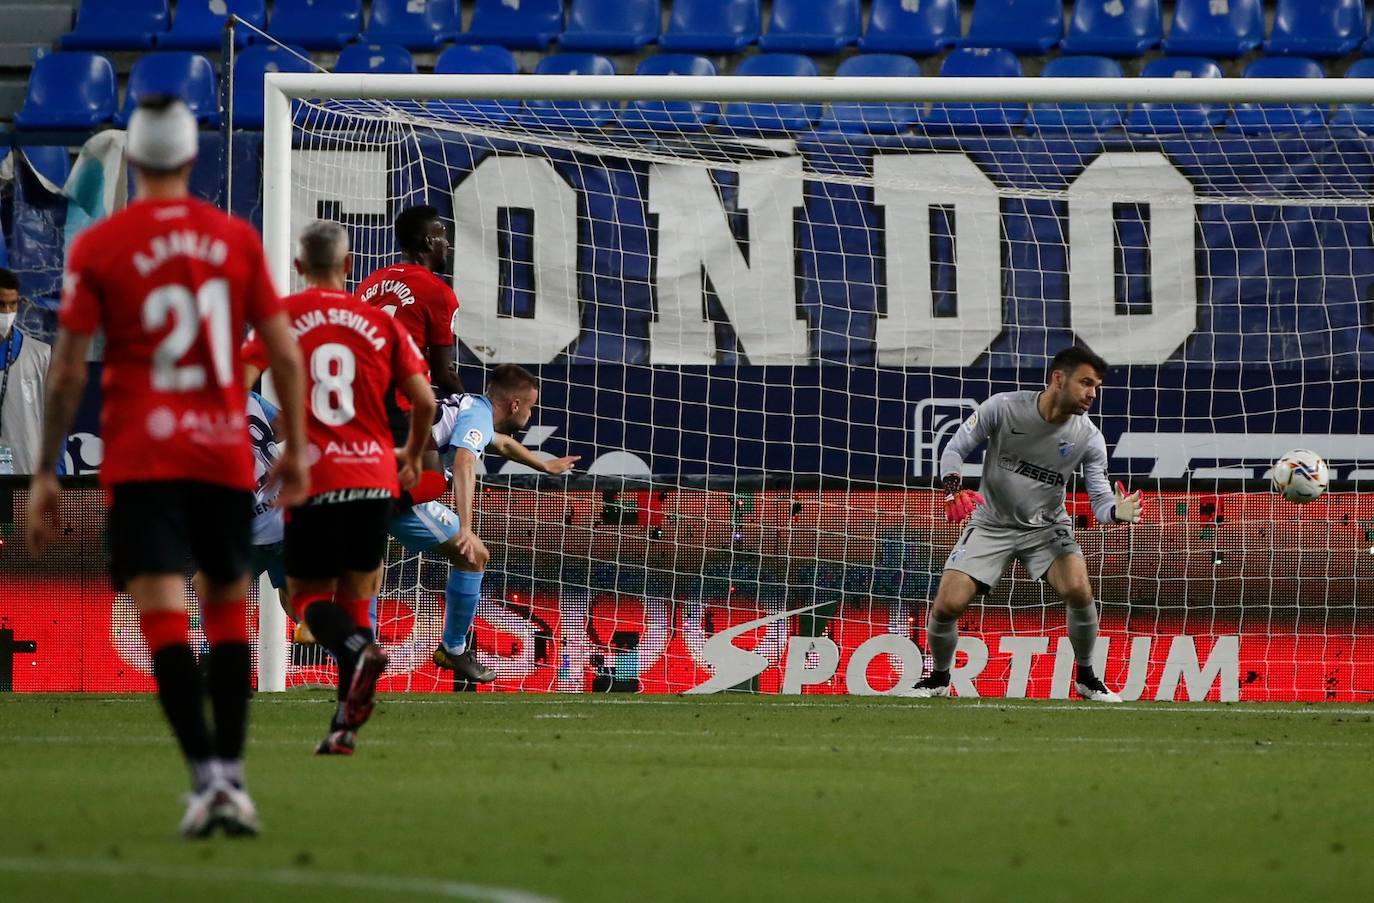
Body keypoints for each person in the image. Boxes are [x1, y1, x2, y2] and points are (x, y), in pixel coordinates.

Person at [25, 96, 309, 837]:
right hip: (221, 453)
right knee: (226, 607)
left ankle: (204, 776)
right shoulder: (234, 239)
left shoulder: (100, 246)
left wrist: (45, 470)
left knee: (163, 615)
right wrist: (300, 445)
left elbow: (64, 372)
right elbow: (281, 351)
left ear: (135, 159)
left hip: (141, 455)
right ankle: (236, 779)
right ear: (189, 157)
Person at [243, 220, 435, 755]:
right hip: (375, 476)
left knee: (305, 596)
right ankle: (343, 726)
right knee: (357, 595)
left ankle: (355, 652)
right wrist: (413, 456)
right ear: (349, 267)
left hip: (314, 475)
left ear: (300, 268)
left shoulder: (283, 317)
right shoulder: (381, 325)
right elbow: (425, 402)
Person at [906, 345, 1143, 703]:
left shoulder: (1089, 438)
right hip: (990, 524)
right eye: (1086, 383)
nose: (1092, 394)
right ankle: (938, 678)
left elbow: (1100, 502)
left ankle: (1086, 677)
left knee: (1078, 588)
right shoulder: (1003, 406)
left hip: (1046, 529)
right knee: (947, 605)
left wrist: (1115, 512)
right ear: (1058, 379)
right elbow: (954, 449)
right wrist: (953, 489)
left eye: (1096, 386)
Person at [388, 365, 577, 681]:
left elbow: (500, 443)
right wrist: (465, 526)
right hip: (398, 490)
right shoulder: (477, 416)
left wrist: (544, 465)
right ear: (515, 405)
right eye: (531, 407)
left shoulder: (473, 406)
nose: (531, 415)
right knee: (473, 554)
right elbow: (464, 461)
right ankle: (453, 650)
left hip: (386, 477)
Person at [357, 204, 463, 426]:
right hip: (399, 405)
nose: (447, 244)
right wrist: (472, 404)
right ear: (428, 242)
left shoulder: (370, 282)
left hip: (355, 399)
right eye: (442, 237)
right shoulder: (438, 293)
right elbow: (443, 373)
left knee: (429, 457)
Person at [0, 268, 52, 474]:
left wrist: (55, 470)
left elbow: (54, 419)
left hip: (26, 477)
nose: (7, 312)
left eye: (12, 305)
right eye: (1, 305)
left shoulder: (41, 355)